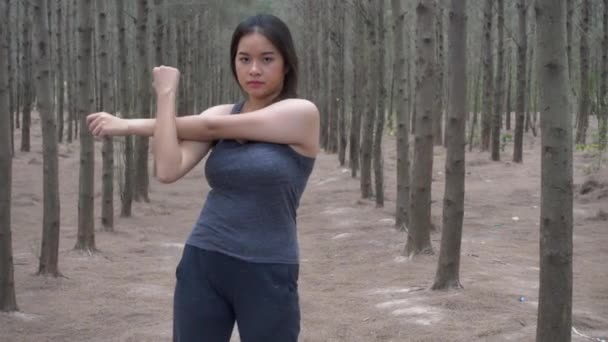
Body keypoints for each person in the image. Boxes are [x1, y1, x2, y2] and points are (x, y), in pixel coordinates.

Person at [86, 14, 319, 342]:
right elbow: (168, 169)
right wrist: (165, 94)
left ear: (286, 64)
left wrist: (126, 125)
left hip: (268, 268)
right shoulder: (221, 113)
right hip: (205, 260)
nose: (254, 69)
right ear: (234, 63)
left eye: (267, 59)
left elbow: (208, 128)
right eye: (244, 59)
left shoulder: (301, 114)